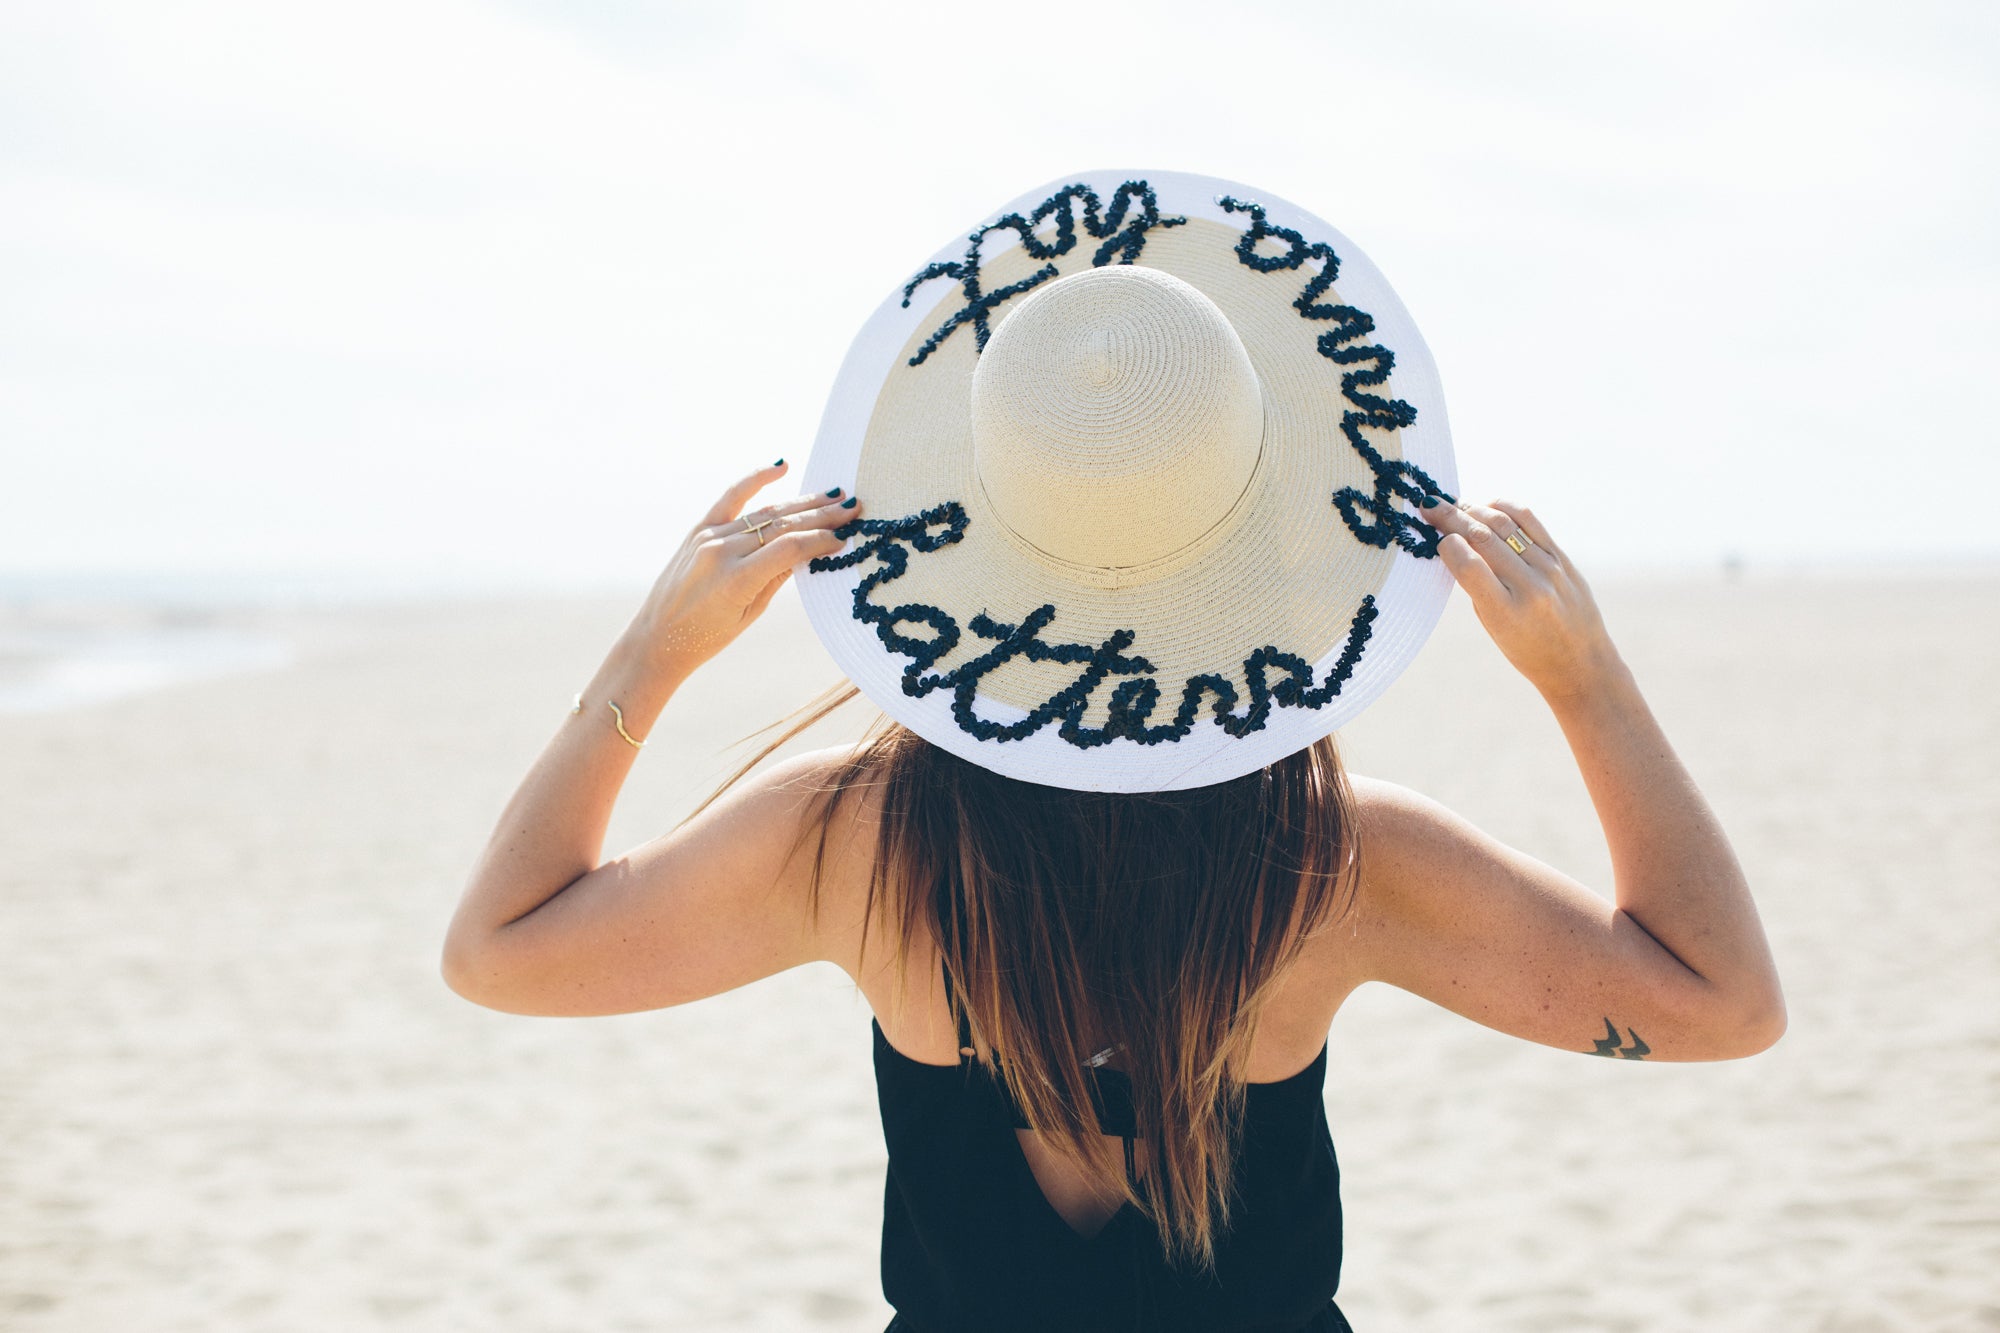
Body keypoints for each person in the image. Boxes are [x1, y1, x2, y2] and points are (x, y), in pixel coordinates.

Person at [441, 173, 1784, 1332]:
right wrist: (1585, 681)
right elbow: (1723, 1003)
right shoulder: (1337, 871)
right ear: (1275, 557)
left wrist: (653, 653)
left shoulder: (851, 846)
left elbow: (499, 948)